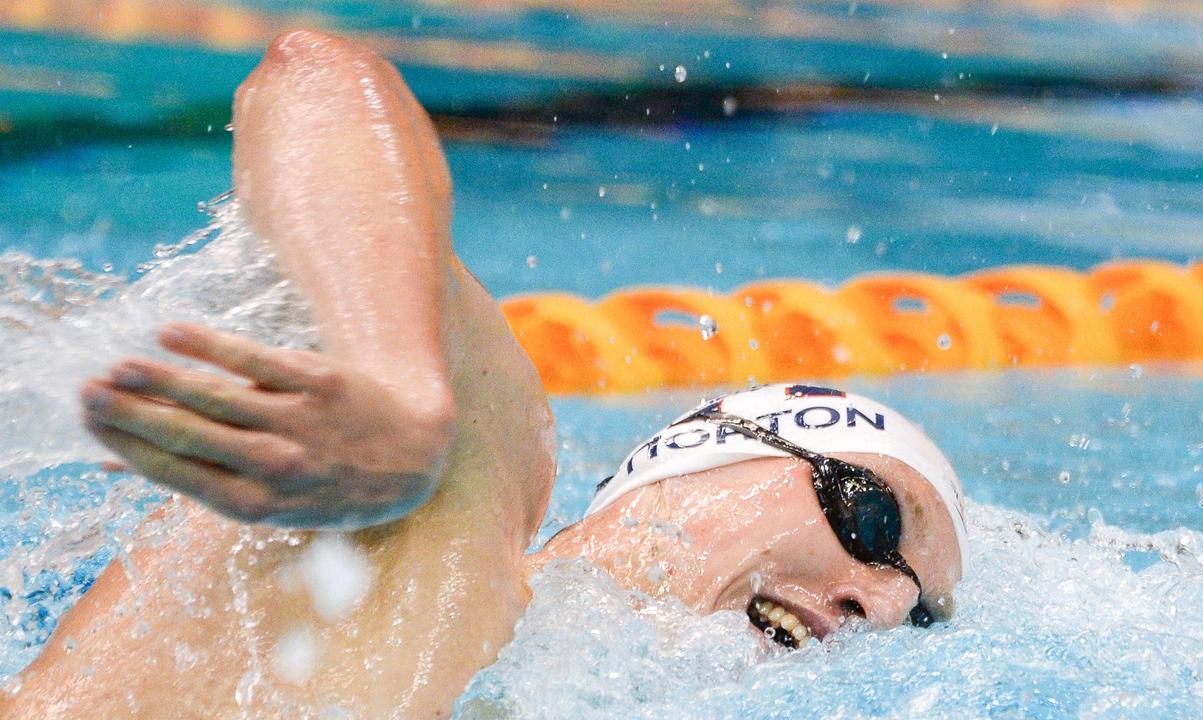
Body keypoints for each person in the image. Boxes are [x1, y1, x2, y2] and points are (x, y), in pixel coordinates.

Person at [1, 30, 964, 719]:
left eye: (916, 615)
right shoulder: (456, 510)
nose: (877, 605)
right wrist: (401, 403)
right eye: (870, 518)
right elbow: (317, 79)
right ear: (704, 456)